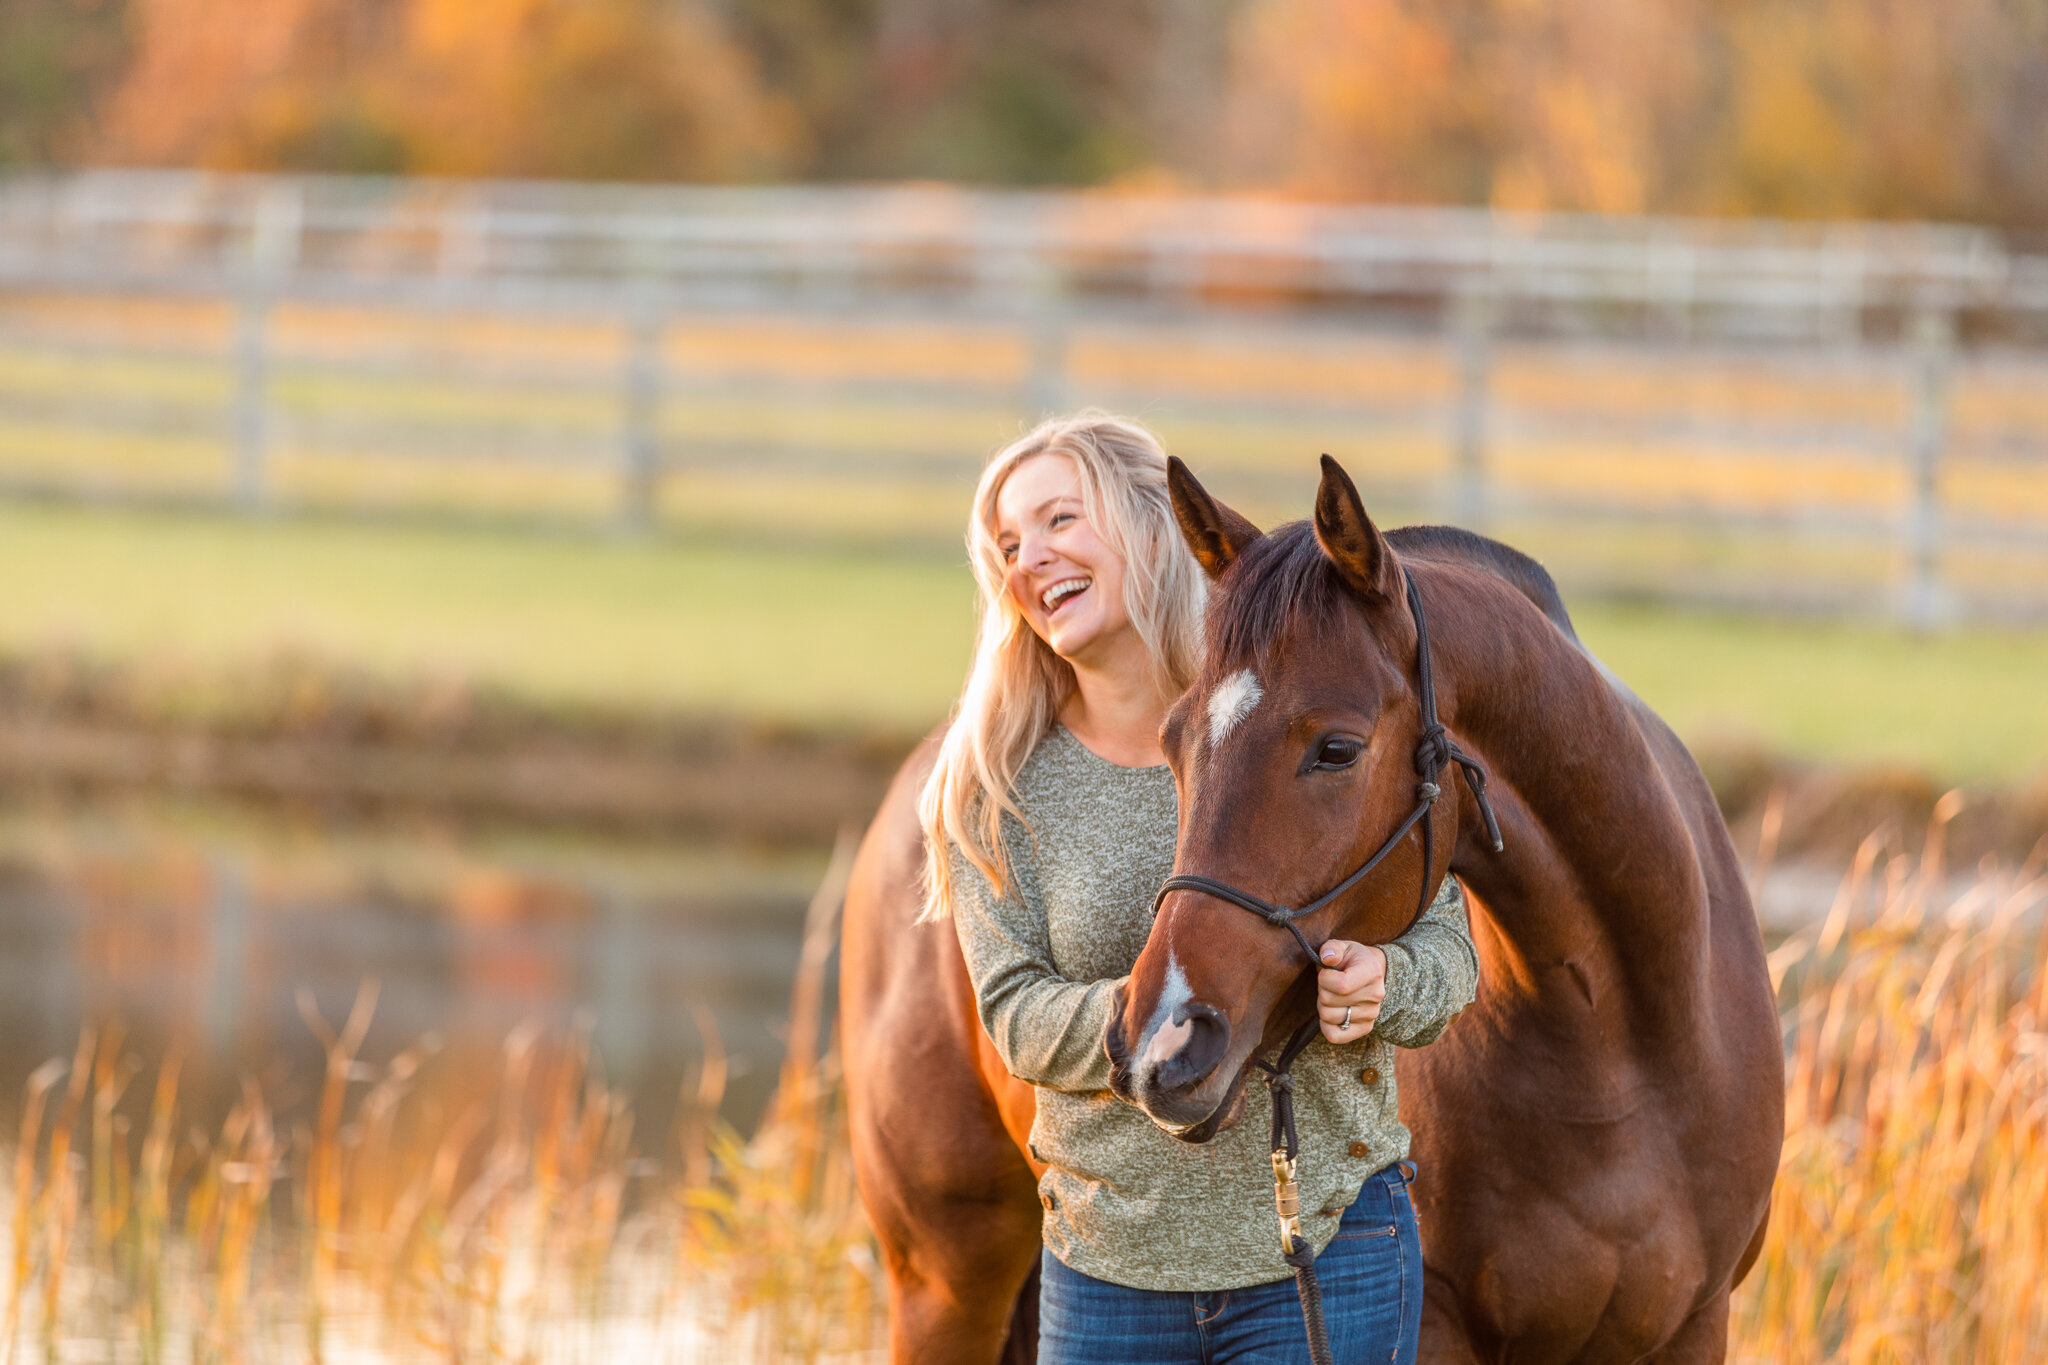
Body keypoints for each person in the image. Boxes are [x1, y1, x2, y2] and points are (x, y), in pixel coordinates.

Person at [918, 413, 1479, 1364]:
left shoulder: (1272, 726)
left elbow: (1451, 944)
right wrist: (1162, 1015)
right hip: (1108, 1269)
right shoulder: (994, 787)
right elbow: (1011, 1012)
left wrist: (1387, 983)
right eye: (1008, 544)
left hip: (1328, 1251)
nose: (1032, 557)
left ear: (1151, 530)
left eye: (1061, 519)